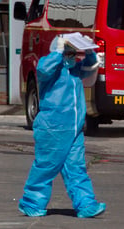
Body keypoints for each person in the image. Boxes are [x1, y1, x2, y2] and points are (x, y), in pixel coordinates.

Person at [18, 35, 106, 218]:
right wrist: (58, 51)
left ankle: (86, 204)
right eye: (68, 52)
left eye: (73, 52)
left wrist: (90, 50)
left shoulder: (73, 70)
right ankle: (32, 203)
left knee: (76, 167)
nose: (71, 55)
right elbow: (43, 68)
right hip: (52, 129)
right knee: (46, 167)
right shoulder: (50, 69)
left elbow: (90, 68)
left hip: (74, 130)